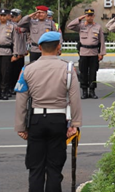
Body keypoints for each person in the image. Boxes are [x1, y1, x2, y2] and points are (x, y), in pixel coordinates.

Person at [14, 31, 82, 192]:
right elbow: (75, 99)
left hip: (37, 120)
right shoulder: (67, 68)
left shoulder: (27, 69)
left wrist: (21, 127)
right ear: (59, 47)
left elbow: (21, 100)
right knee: (54, 168)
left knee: (35, 168)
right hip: (58, 120)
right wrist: (75, 124)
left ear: (39, 48)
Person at [66, 8, 105, 99]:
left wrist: (101, 53)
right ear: (85, 16)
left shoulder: (98, 27)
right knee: (83, 73)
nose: (89, 17)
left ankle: (92, 91)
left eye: (91, 15)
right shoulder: (81, 26)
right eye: (87, 15)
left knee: (93, 73)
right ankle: (84, 91)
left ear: (94, 16)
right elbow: (69, 26)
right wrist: (80, 19)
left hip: (94, 53)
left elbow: (102, 41)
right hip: (83, 53)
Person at [8, 9, 28, 97]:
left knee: (18, 70)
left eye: (15, 16)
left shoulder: (23, 26)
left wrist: (24, 50)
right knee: (10, 70)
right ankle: (9, 87)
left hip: (21, 51)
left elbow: (25, 40)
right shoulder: (9, 25)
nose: (13, 18)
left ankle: (16, 86)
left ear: (20, 16)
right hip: (11, 50)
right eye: (12, 16)